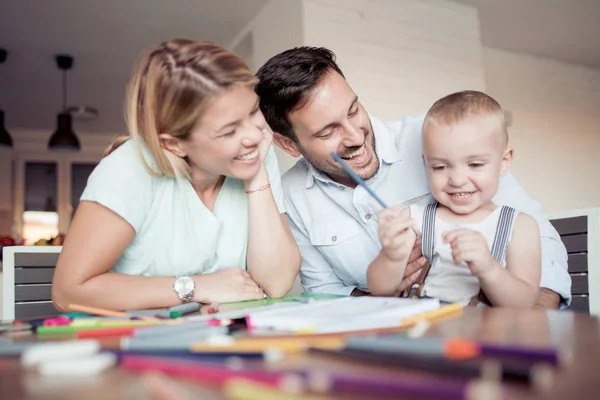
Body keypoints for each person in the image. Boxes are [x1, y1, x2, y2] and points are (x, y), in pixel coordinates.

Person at [255, 46, 570, 309]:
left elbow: (539, 238)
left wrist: (532, 316)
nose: (354, 136)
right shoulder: (293, 195)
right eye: (327, 131)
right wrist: (392, 298)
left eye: (353, 111)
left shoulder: (437, 138)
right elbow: (325, 292)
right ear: (288, 144)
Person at [52, 39, 301, 311]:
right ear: (174, 143)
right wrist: (197, 286)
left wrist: (256, 179)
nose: (255, 135)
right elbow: (69, 292)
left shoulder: (254, 153)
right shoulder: (128, 168)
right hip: (137, 340)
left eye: (253, 111)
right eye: (229, 131)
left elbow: (277, 283)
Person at [368, 91, 541, 308]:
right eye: (440, 167)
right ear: (426, 164)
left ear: (504, 161)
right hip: (426, 334)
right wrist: (391, 256)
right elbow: (379, 289)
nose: (457, 180)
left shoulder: (519, 226)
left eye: (475, 164)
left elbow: (525, 304)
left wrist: (489, 268)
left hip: (485, 337)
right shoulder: (415, 219)